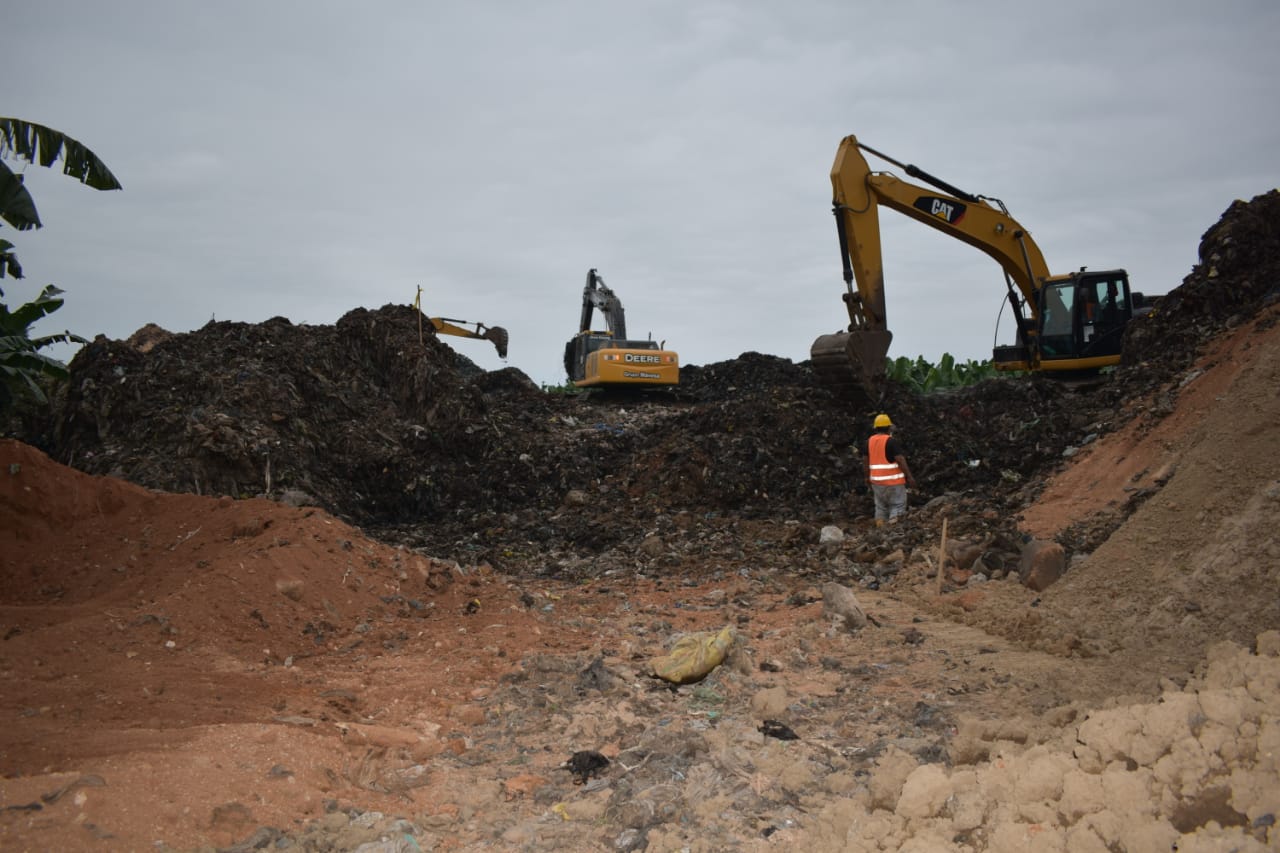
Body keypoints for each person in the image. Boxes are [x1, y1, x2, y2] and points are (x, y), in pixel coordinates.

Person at [866, 413, 917, 525]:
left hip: (876, 482)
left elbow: (865, 460)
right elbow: (900, 459)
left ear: (876, 427)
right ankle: (893, 531)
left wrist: (867, 477)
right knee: (897, 506)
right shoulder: (890, 441)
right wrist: (909, 477)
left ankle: (881, 531)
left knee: (881, 507)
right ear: (889, 427)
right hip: (894, 483)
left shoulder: (870, 441)